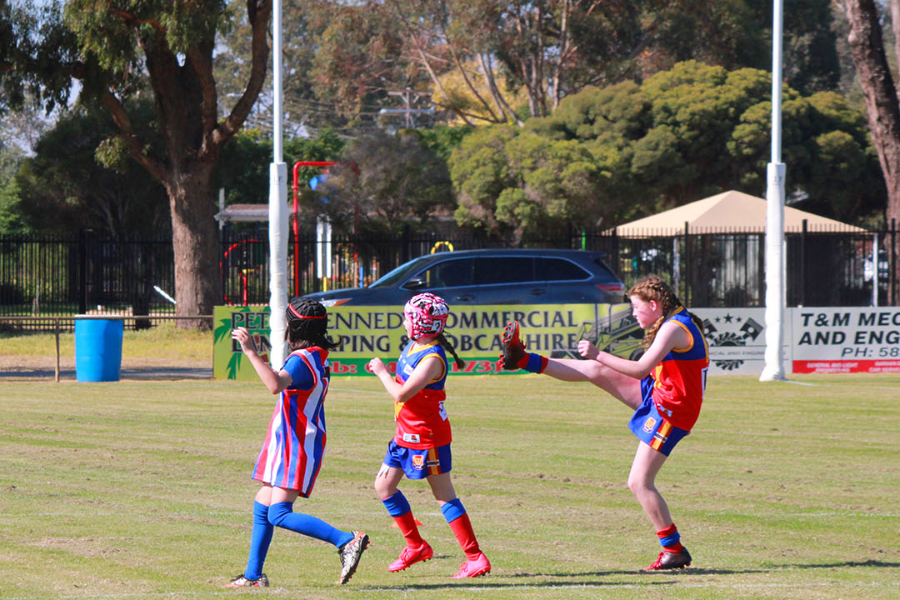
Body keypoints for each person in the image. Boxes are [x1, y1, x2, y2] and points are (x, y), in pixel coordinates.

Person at [499, 277, 708, 571]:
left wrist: (599, 352)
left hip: (672, 412)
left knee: (639, 482)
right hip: (661, 394)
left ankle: (673, 550)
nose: (633, 314)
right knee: (596, 370)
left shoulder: (674, 327)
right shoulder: (674, 321)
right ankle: (523, 360)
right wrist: (599, 360)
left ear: (653, 305)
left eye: (636, 308)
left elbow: (639, 369)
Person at [225, 299, 369, 588]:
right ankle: (253, 576)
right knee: (263, 505)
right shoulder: (315, 355)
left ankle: (345, 540)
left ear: (294, 328)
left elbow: (274, 385)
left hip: (297, 443)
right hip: (287, 441)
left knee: (278, 513)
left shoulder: (302, 359)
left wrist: (251, 352)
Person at [368, 292, 491, 579]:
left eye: (407, 317)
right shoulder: (413, 345)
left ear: (420, 324)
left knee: (444, 495)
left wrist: (381, 372)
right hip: (405, 434)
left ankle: (475, 557)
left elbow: (401, 392)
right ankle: (416, 545)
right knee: (384, 487)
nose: (403, 321)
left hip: (427, 438)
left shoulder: (433, 358)